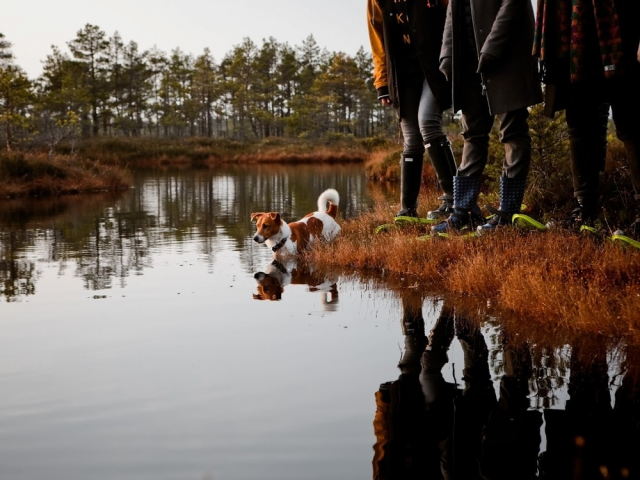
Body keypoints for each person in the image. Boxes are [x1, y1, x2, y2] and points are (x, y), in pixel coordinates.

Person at [431, 0, 543, 234]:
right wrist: (446, 55)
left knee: (513, 132)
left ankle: (507, 213)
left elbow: (513, 4)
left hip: (508, 56)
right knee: (472, 134)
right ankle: (463, 212)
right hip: (468, 63)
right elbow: (453, 11)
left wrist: (492, 47)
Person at [533, 0, 640, 235]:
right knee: (580, 120)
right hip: (574, 35)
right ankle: (584, 209)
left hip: (622, 29)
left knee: (631, 121)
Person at [367, 0, 457, 221]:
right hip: (402, 75)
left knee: (427, 121)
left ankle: (455, 200)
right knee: (411, 139)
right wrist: (382, 82)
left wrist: (452, 59)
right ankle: (407, 209)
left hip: (434, 67)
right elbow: (378, 43)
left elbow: (452, 18)